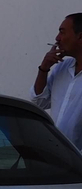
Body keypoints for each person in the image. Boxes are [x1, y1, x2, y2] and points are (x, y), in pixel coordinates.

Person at [35, 12, 82, 148]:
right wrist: (43, 69)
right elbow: (39, 102)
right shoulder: (61, 68)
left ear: (80, 36)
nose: (57, 38)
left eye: (62, 32)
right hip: (57, 158)